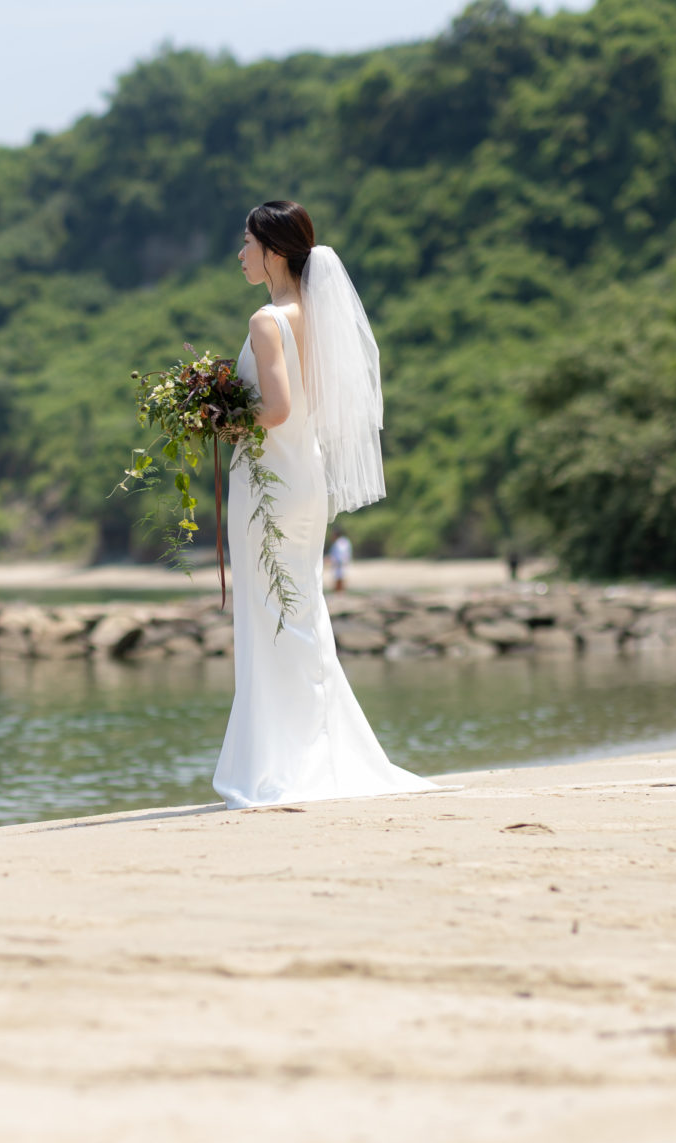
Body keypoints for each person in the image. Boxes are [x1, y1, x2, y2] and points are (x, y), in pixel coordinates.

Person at [212, 201, 433, 809]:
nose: (240, 254)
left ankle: (288, 761)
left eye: (248, 243)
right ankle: (317, 752)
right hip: (302, 477)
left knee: (271, 613)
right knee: (300, 608)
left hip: (270, 483)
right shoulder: (317, 315)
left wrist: (220, 420)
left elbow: (277, 409)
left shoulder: (267, 320)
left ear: (273, 251)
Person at [326, 528, 352, 593]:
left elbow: (340, 555)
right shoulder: (344, 541)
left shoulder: (340, 542)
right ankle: (339, 592)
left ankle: (339, 592)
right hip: (342, 564)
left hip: (340, 564)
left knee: (339, 579)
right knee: (340, 579)